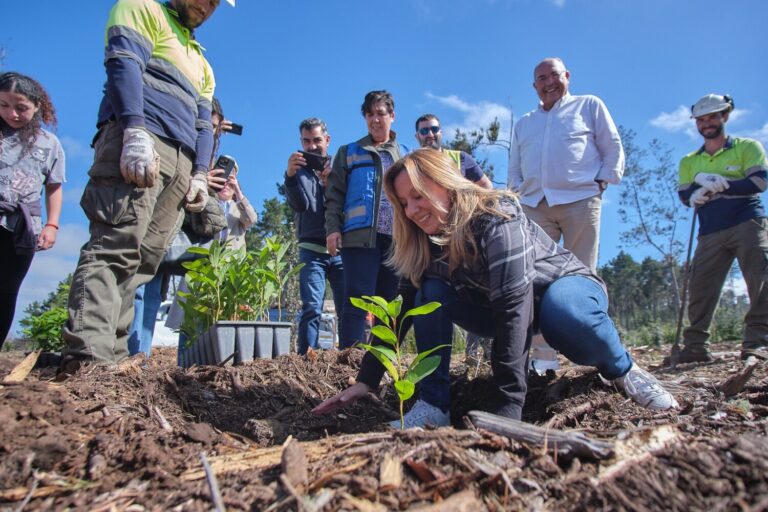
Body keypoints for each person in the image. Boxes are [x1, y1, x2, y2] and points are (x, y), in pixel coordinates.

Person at [313, 149, 678, 428]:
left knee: (563, 313)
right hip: (492, 305)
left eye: (418, 195)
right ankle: (434, 406)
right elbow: (403, 311)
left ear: (444, 182)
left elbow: (513, 305)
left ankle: (623, 369)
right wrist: (367, 381)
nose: (411, 211)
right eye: (404, 203)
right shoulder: (424, 242)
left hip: (560, 288)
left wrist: (508, 407)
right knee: (428, 295)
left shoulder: (495, 215)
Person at [61, 0, 229, 369]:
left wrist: (200, 172)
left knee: (145, 258)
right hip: (141, 139)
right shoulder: (142, 9)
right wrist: (134, 128)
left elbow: (204, 124)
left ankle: (114, 355)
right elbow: (124, 64)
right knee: (116, 244)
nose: (206, 6)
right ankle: (87, 354)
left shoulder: (202, 62)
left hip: (180, 162)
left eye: (215, 2)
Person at [127, 96, 234, 357]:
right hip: (159, 219)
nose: (209, 132)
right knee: (142, 288)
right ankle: (134, 356)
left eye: (214, 128)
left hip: (183, 231)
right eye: (206, 126)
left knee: (164, 294)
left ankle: (149, 358)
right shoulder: (171, 139)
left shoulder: (206, 152)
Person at [672, 94, 768, 363]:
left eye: (713, 117)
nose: (707, 124)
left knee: (760, 281)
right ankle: (695, 347)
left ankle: (757, 343)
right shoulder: (689, 161)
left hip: (747, 221)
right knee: (701, 286)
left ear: (725, 115)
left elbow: (758, 182)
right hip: (710, 229)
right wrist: (696, 193)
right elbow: (684, 193)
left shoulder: (747, 147)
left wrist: (722, 184)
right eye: (701, 120)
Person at [508, 57, 624, 272]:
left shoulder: (589, 105)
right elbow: (514, 167)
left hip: (580, 200)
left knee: (581, 270)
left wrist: (602, 181)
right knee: (532, 270)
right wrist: (516, 195)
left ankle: (584, 304)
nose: (549, 82)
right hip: (534, 205)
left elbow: (612, 145)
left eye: (555, 75)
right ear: (535, 86)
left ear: (567, 77)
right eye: (542, 78)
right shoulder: (524, 123)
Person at [324, 90, 410, 349]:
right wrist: (332, 229)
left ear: (392, 116)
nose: (375, 119)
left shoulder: (407, 154)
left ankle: (381, 363)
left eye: (380, 113)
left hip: (397, 240)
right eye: (369, 114)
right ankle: (347, 360)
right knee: (356, 300)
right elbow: (335, 195)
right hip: (359, 238)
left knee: (388, 304)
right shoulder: (348, 152)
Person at [0, 72, 65, 349]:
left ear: (38, 106)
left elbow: (54, 186)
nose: (12, 113)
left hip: (22, 229)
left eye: (21, 107)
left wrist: (52, 225)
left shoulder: (49, 144)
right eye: (3, 105)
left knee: (6, 292)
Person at [284, 118, 345, 355]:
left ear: (327, 140)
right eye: (306, 141)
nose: (312, 146)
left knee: (347, 307)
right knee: (311, 307)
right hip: (311, 249)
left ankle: (351, 354)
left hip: (341, 250)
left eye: (317, 140)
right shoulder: (298, 171)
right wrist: (290, 176)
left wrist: (331, 183)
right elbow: (299, 204)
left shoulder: (340, 168)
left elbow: (347, 206)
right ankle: (306, 358)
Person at [414, 114, 493, 189]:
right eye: (424, 131)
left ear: (441, 133)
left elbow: (486, 185)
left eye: (434, 129)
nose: (430, 134)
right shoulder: (412, 164)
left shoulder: (461, 157)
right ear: (417, 136)